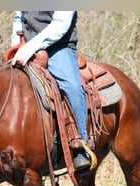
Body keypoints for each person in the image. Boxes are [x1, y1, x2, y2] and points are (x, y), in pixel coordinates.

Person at [11, 11, 90, 171]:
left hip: (58, 47)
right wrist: (16, 44)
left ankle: (80, 147)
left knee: (71, 86)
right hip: (26, 45)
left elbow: (61, 24)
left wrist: (32, 46)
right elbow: (18, 17)